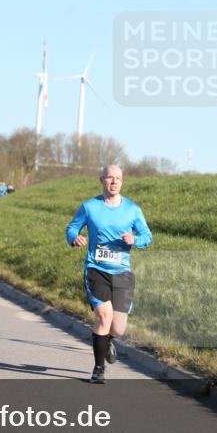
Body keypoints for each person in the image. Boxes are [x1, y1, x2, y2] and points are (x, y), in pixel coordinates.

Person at [66, 164, 152, 384]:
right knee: (104, 316)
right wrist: (74, 238)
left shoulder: (132, 209)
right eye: (110, 178)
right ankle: (98, 369)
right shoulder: (90, 207)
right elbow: (72, 228)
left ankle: (106, 340)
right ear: (101, 180)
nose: (114, 182)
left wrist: (136, 240)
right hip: (97, 269)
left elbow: (146, 236)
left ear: (122, 181)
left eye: (118, 178)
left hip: (122, 272)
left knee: (119, 328)